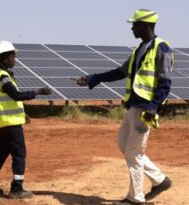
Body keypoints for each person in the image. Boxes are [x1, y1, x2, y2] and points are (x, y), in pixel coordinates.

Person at [73, 9, 173, 205]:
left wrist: (152, 108)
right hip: (133, 106)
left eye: (134, 24)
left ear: (145, 25)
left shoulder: (161, 48)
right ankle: (160, 180)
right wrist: (94, 78)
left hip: (146, 109)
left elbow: (165, 83)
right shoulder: (139, 49)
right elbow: (120, 72)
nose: (132, 28)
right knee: (123, 145)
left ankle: (135, 198)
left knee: (134, 152)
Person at [0, 40, 52, 199]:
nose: (15, 60)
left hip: (6, 121)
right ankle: (16, 189)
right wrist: (38, 91)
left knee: (2, 152)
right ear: (5, 59)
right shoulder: (4, 76)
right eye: (13, 56)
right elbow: (16, 95)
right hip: (10, 123)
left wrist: (21, 114)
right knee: (19, 154)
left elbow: (9, 100)